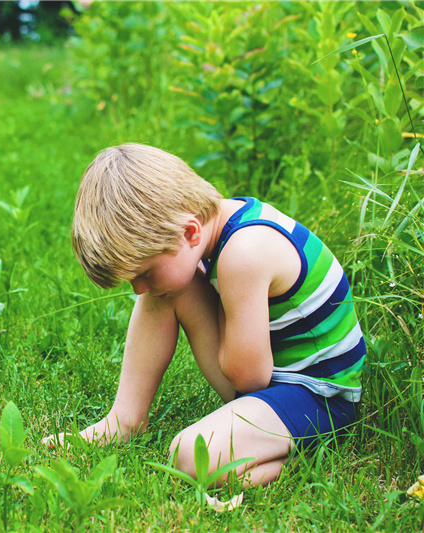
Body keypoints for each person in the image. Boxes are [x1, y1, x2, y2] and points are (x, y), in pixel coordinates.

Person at [43, 143, 364, 487]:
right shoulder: (224, 223)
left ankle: (294, 458)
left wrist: (214, 300)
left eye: (145, 272)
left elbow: (249, 378)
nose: (137, 288)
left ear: (191, 231)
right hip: (275, 380)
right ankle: (124, 421)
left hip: (320, 397)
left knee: (190, 454)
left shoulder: (243, 254)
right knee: (166, 291)